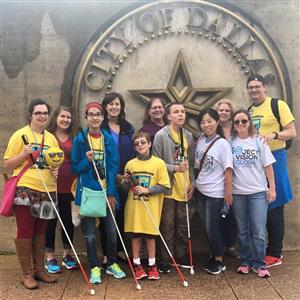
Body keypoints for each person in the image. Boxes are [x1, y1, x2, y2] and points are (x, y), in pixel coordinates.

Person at [4, 98, 58, 289]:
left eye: (45, 113)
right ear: (30, 115)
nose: (42, 116)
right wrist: (23, 153)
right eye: (38, 113)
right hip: (25, 189)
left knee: (41, 231)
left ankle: (39, 270)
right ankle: (26, 273)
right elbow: (7, 164)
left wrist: (55, 170)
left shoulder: (50, 138)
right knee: (25, 231)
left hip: (47, 190)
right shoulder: (20, 135)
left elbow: (54, 161)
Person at [71, 102, 126, 284]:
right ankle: (94, 266)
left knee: (111, 231)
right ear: (86, 117)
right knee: (89, 234)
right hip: (87, 193)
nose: (95, 117)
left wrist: (111, 193)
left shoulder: (108, 139)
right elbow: (74, 168)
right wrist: (86, 161)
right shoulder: (80, 139)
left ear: (102, 118)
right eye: (91, 114)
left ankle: (111, 263)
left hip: (106, 192)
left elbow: (113, 166)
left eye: (98, 114)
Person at [247, 74, 296, 267]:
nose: (254, 90)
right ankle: (262, 249)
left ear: (265, 88)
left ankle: (275, 252)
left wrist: (274, 135)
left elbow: (292, 131)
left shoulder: (278, 105)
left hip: (276, 158)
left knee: (275, 205)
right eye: (250, 87)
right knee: (260, 207)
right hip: (256, 164)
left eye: (257, 86)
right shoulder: (249, 111)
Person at [231, 109, 276, 278]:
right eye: (237, 122)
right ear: (234, 125)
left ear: (249, 123)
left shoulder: (259, 142)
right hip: (238, 193)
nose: (240, 124)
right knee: (243, 230)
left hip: (258, 192)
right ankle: (246, 261)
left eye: (244, 121)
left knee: (258, 230)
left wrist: (272, 188)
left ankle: (260, 263)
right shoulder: (231, 143)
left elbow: (268, 166)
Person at [152, 102, 195, 273]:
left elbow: (190, 163)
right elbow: (156, 162)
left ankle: (180, 256)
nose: (180, 115)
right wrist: (173, 168)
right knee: (167, 226)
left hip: (184, 188)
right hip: (168, 189)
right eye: (176, 112)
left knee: (183, 225)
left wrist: (193, 181)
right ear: (168, 116)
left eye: (183, 112)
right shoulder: (161, 135)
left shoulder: (189, 136)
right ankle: (165, 259)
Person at [122, 131, 171, 280]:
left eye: (143, 142)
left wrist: (148, 190)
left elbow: (165, 187)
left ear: (149, 143)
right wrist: (126, 182)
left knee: (151, 237)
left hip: (151, 208)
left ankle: (152, 265)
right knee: (135, 236)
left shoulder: (159, 163)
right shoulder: (130, 164)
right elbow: (125, 189)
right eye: (137, 144)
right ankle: (137, 265)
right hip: (134, 208)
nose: (140, 145)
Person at [194, 108, 233, 275]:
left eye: (209, 121)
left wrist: (228, 194)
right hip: (201, 191)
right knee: (206, 227)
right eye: (203, 122)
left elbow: (228, 170)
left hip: (215, 194)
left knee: (212, 228)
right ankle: (214, 254)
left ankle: (219, 259)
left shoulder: (222, 144)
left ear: (217, 122)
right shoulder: (201, 141)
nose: (206, 125)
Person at [100, 92, 135, 266]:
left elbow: (134, 152)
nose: (114, 107)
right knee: (106, 214)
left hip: (125, 179)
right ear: (105, 106)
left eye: (117, 104)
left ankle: (120, 249)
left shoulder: (128, 128)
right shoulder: (100, 127)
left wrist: (127, 175)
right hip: (106, 177)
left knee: (122, 215)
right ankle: (107, 253)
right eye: (111, 104)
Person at [44, 106, 77, 273]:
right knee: (50, 222)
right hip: (51, 187)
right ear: (56, 117)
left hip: (69, 187)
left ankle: (67, 255)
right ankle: (49, 257)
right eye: (62, 116)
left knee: (68, 222)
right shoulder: (48, 136)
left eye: (68, 117)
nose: (65, 120)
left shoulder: (74, 137)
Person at [215, 99, 238, 258]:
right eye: (220, 110)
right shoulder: (212, 129)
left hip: (237, 176)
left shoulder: (237, 129)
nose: (223, 113)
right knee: (219, 214)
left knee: (234, 214)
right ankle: (219, 245)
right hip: (217, 177)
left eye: (226, 110)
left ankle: (231, 245)